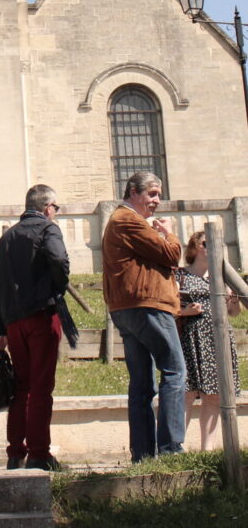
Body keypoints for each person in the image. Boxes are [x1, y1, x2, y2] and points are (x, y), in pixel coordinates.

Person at [102, 171, 185, 462]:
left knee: (142, 385)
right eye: (151, 194)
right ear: (133, 192)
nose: (157, 201)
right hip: (146, 305)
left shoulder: (123, 220)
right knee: (175, 372)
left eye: (158, 195)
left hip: (128, 308)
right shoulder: (127, 219)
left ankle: (143, 455)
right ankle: (171, 449)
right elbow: (171, 253)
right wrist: (170, 232)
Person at [0, 183, 70, 472]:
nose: (56, 213)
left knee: (21, 387)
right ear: (47, 207)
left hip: (13, 323)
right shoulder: (48, 229)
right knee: (40, 387)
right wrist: (57, 286)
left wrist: (0, 329)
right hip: (41, 316)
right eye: (56, 208)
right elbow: (59, 260)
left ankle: (15, 452)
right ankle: (38, 452)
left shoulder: (6, 237)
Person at [176, 231, 241, 450]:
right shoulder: (180, 275)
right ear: (194, 248)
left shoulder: (221, 277)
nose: (212, 247)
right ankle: (177, 447)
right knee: (187, 392)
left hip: (217, 338)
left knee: (214, 395)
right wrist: (185, 312)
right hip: (190, 337)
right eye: (206, 243)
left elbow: (233, 313)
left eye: (217, 243)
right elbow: (169, 306)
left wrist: (233, 301)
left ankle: (208, 449)